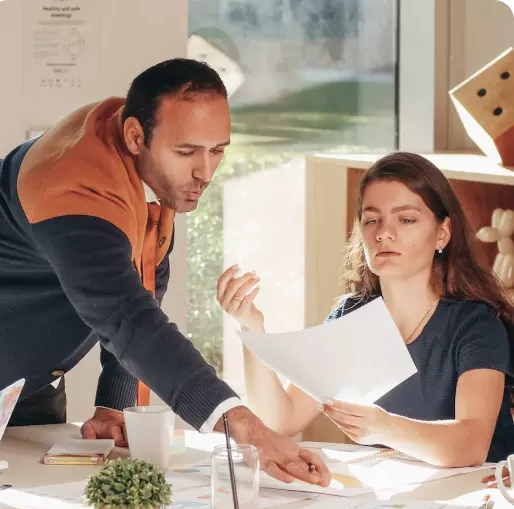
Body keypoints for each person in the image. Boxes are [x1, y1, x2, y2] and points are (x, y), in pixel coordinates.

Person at [0, 58, 329, 487]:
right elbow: (130, 319)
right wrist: (246, 427)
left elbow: (142, 277)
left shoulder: (144, 160)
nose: (205, 172)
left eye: (218, 150)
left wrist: (114, 404)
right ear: (135, 136)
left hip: (26, 384)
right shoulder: (74, 188)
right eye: (187, 152)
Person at [217, 151, 514, 467]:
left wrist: (384, 427)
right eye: (372, 220)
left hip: (479, 503)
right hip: (393, 500)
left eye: (406, 219)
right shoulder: (350, 319)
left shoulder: (477, 325)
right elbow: (281, 420)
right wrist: (252, 328)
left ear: (442, 232)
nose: (384, 232)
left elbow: (471, 445)